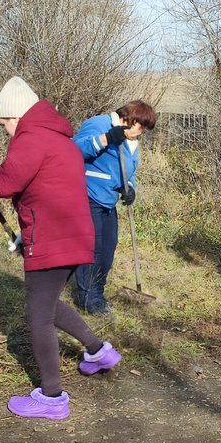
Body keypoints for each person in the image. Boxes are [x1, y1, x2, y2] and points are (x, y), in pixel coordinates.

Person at [0, 77, 121, 420]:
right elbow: (35, 186)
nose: (5, 132)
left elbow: (4, 183)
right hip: (74, 237)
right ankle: (98, 352)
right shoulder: (61, 140)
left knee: (38, 315)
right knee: (48, 303)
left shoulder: (30, 138)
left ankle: (52, 398)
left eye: (4, 124)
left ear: (15, 116)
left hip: (51, 238)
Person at [72, 101, 156, 314]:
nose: (142, 132)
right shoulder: (99, 124)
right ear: (131, 118)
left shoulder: (131, 141)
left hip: (108, 199)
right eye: (142, 126)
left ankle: (98, 295)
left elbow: (129, 169)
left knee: (108, 248)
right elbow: (75, 150)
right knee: (93, 248)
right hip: (87, 195)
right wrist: (107, 138)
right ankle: (88, 300)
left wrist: (129, 187)